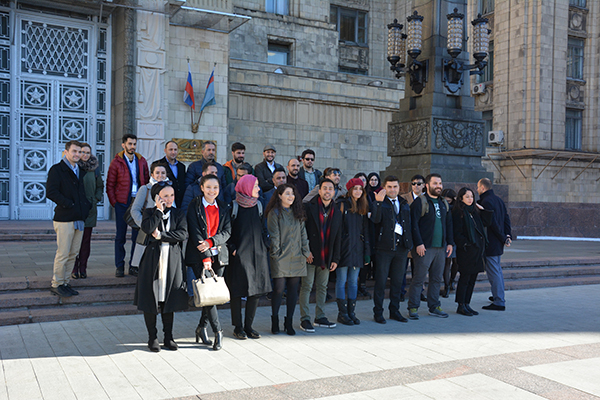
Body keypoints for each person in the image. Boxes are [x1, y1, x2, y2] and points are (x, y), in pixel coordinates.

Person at [134, 182, 188, 352]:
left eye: (172, 195)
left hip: (172, 260)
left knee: (168, 300)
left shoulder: (178, 213)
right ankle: (152, 337)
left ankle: (168, 337)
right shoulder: (149, 213)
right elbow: (148, 228)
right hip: (153, 261)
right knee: (151, 299)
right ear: (157, 197)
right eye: (165, 196)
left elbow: (182, 234)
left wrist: (161, 236)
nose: (169, 199)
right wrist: (158, 211)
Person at [186, 174, 231, 350]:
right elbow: (195, 232)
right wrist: (205, 256)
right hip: (200, 256)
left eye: (216, 187)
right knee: (210, 295)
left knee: (212, 295)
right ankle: (218, 332)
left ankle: (200, 328)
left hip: (219, 255)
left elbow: (227, 231)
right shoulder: (194, 205)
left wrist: (212, 242)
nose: (212, 191)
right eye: (209, 187)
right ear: (202, 188)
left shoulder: (224, 206)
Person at [227, 174, 272, 339]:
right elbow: (227, 231)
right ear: (246, 187)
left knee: (255, 291)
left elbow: (263, 228)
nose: (258, 189)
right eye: (255, 186)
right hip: (239, 256)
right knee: (237, 292)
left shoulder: (259, 205)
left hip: (258, 254)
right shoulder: (233, 206)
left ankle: (249, 326)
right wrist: (233, 249)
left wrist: (266, 245)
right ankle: (237, 327)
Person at [46, 140, 91, 297]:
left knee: (73, 253)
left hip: (79, 218)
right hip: (64, 218)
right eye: (74, 151)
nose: (77, 154)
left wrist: (86, 207)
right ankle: (56, 283)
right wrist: (68, 204)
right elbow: (51, 192)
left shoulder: (79, 170)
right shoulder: (57, 170)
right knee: (63, 253)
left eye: (79, 152)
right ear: (66, 152)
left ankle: (65, 283)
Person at [265, 184, 311, 335]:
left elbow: (303, 234)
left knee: (293, 290)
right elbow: (274, 236)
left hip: (297, 256)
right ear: (279, 195)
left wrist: (306, 251)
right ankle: (274, 320)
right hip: (280, 256)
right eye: (287, 194)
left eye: (293, 194)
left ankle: (289, 322)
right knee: (278, 289)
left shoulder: (297, 212)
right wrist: (276, 255)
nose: (291, 197)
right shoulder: (274, 213)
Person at [299, 178, 342, 332]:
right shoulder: (309, 207)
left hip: (327, 256)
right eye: (325, 188)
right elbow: (302, 231)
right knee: (307, 286)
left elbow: (338, 236)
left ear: (334, 192)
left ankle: (320, 317)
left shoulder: (336, 211)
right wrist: (306, 250)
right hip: (311, 254)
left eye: (330, 189)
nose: (327, 191)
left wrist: (335, 258)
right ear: (319, 190)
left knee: (323, 287)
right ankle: (305, 319)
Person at [408, 173, 454, 319]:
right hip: (424, 248)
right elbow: (413, 224)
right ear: (427, 185)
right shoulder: (420, 202)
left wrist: (450, 243)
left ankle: (434, 306)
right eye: (435, 183)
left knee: (436, 278)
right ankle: (413, 307)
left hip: (441, 248)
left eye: (440, 183)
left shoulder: (443, 203)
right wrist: (419, 243)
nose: (438, 186)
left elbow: (448, 224)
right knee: (419, 278)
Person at [370, 176, 413, 324]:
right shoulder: (381, 202)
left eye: (395, 187)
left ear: (399, 187)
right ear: (384, 188)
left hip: (401, 249)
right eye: (389, 187)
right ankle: (378, 312)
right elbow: (375, 220)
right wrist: (378, 203)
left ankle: (394, 311)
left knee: (397, 282)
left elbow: (408, 224)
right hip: (384, 248)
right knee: (381, 282)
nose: (393, 190)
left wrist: (410, 244)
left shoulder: (403, 203)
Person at [106, 134, 149, 277]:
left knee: (137, 236)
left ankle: (134, 265)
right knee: (120, 236)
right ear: (123, 145)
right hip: (122, 203)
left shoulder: (142, 161)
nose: (132, 147)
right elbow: (110, 184)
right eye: (130, 144)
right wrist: (115, 202)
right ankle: (119, 266)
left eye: (134, 144)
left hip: (138, 202)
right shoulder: (116, 162)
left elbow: (147, 180)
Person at [452, 187, 493, 316]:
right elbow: (457, 232)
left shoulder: (474, 212)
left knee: (472, 279)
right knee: (465, 278)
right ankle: (461, 305)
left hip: (478, 251)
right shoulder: (458, 212)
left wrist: (483, 210)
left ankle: (467, 304)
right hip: (467, 251)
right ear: (461, 198)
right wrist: (466, 244)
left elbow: (486, 222)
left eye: (471, 197)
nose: (470, 199)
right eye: (467, 197)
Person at [335, 178, 370, 325]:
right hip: (343, 249)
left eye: (360, 189)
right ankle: (342, 313)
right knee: (342, 280)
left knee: (354, 283)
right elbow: (336, 230)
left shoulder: (363, 207)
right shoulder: (341, 204)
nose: (358, 191)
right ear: (349, 190)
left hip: (357, 250)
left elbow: (366, 232)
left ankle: (351, 312)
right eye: (355, 188)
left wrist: (367, 252)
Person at [477, 178, 512, 311]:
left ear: (483, 188)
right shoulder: (498, 200)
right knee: (497, 270)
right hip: (498, 242)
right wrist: (508, 235)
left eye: (478, 188)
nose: (477, 190)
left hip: (491, 242)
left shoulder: (486, 201)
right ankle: (498, 296)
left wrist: (504, 237)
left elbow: (493, 224)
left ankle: (499, 301)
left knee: (494, 272)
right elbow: (506, 218)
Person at [71, 143, 103, 280]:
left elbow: (100, 186)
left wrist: (96, 198)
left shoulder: (94, 169)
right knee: (73, 241)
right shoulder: (73, 167)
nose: (85, 155)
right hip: (76, 209)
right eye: (82, 152)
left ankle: (83, 268)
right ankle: (74, 267)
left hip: (90, 208)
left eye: (87, 153)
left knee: (85, 241)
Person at [129, 162, 169, 273]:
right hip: (148, 232)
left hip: (164, 232)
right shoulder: (145, 189)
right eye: (157, 173)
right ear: (152, 174)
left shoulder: (169, 189)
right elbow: (135, 210)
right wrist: (145, 225)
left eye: (163, 173)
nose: (160, 175)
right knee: (145, 266)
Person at [400, 174, 426, 302]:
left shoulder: (426, 199)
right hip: (405, 238)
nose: (416, 186)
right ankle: (400, 291)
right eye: (414, 183)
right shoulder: (403, 198)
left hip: (419, 239)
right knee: (402, 268)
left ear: (424, 185)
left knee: (418, 269)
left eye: (419, 183)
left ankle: (419, 292)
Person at [156, 140, 186, 208]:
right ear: (165, 150)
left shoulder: (182, 166)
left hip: (179, 203)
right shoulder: (158, 164)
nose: (173, 152)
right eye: (170, 149)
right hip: (164, 202)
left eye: (175, 150)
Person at [441, 188, 459, 298]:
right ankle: (447, 285)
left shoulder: (458, 208)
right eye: (446, 201)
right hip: (446, 238)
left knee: (456, 262)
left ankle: (452, 280)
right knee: (447, 262)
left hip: (456, 238)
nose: (448, 203)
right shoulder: (443, 207)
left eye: (450, 201)